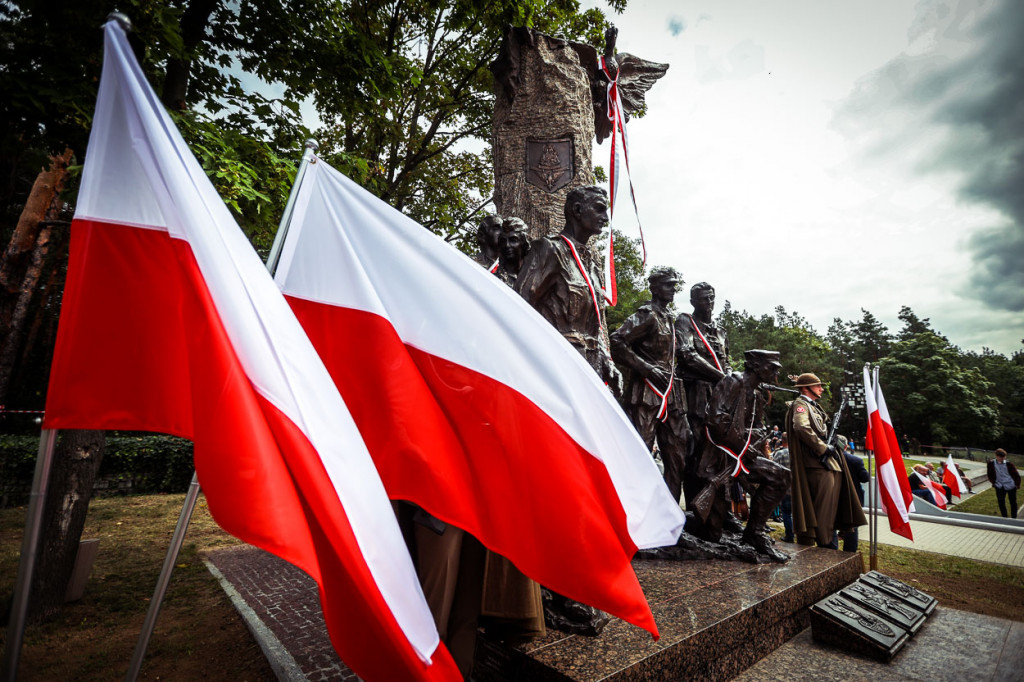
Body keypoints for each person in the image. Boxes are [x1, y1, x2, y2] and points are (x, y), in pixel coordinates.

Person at [515, 185, 621, 394]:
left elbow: (593, 322)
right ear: (577, 210)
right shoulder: (550, 249)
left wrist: (607, 360)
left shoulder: (591, 264)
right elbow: (519, 307)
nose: (605, 218)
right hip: (558, 363)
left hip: (591, 366)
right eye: (599, 209)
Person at [690, 349, 790, 561]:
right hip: (717, 460)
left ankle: (755, 533)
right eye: (772, 368)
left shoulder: (756, 394)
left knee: (781, 476)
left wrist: (757, 437)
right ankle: (671, 522)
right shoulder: (732, 382)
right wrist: (745, 442)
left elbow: (758, 426)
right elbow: (715, 419)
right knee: (711, 532)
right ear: (755, 366)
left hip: (742, 458)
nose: (775, 375)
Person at [610, 266, 691, 504]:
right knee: (640, 455)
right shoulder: (646, 315)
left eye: (675, 286)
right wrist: (647, 368)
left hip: (671, 394)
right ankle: (635, 516)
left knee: (677, 456)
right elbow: (617, 341)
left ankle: (670, 520)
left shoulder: (669, 318)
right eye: (668, 285)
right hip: (646, 392)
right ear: (654, 288)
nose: (673, 290)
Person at [785, 372, 866, 549]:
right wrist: (822, 447)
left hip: (823, 463)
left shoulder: (813, 406)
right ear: (806, 388)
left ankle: (827, 541)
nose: (821, 389)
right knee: (824, 511)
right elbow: (801, 426)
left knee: (829, 509)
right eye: (818, 386)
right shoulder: (801, 404)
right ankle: (825, 544)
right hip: (816, 465)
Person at [675, 282, 730, 519]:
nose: (709, 303)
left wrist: (730, 380)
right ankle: (695, 512)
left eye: (712, 298)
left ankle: (720, 514)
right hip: (694, 394)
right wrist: (722, 377)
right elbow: (687, 355)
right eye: (704, 299)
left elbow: (726, 362)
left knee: (721, 454)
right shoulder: (685, 322)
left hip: (720, 398)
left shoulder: (720, 331)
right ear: (693, 302)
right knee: (695, 453)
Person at [838, 436, 870, 552]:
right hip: (852, 498)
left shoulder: (826, 458)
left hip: (832, 496)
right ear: (846, 446)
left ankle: (830, 550)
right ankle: (849, 553)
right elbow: (865, 478)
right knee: (852, 526)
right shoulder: (855, 460)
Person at [494, 217, 531, 287]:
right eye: (503, 241)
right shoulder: (495, 279)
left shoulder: (532, 279)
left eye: (513, 240)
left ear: (524, 244)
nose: (507, 245)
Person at [772, 433, 794, 543]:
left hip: (785, 488)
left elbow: (773, 468)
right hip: (796, 489)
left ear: (782, 441)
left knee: (786, 513)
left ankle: (789, 535)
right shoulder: (796, 453)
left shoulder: (779, 453)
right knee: (795, 513)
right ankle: (797, 533)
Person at [987, 448, 1020, 518]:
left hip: (1010, 485)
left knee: (1013, 502)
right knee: (1001, 502)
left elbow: (1016, 475)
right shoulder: (991, 464)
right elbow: (989, 474)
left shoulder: (1009, 464)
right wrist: (993, 482)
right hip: (999, 485)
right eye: (1000, 457)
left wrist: (1017, 484)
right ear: (996, 456)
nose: (1002, 459)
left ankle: (1014, 517)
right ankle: (1004, 517)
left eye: (1003, 457)